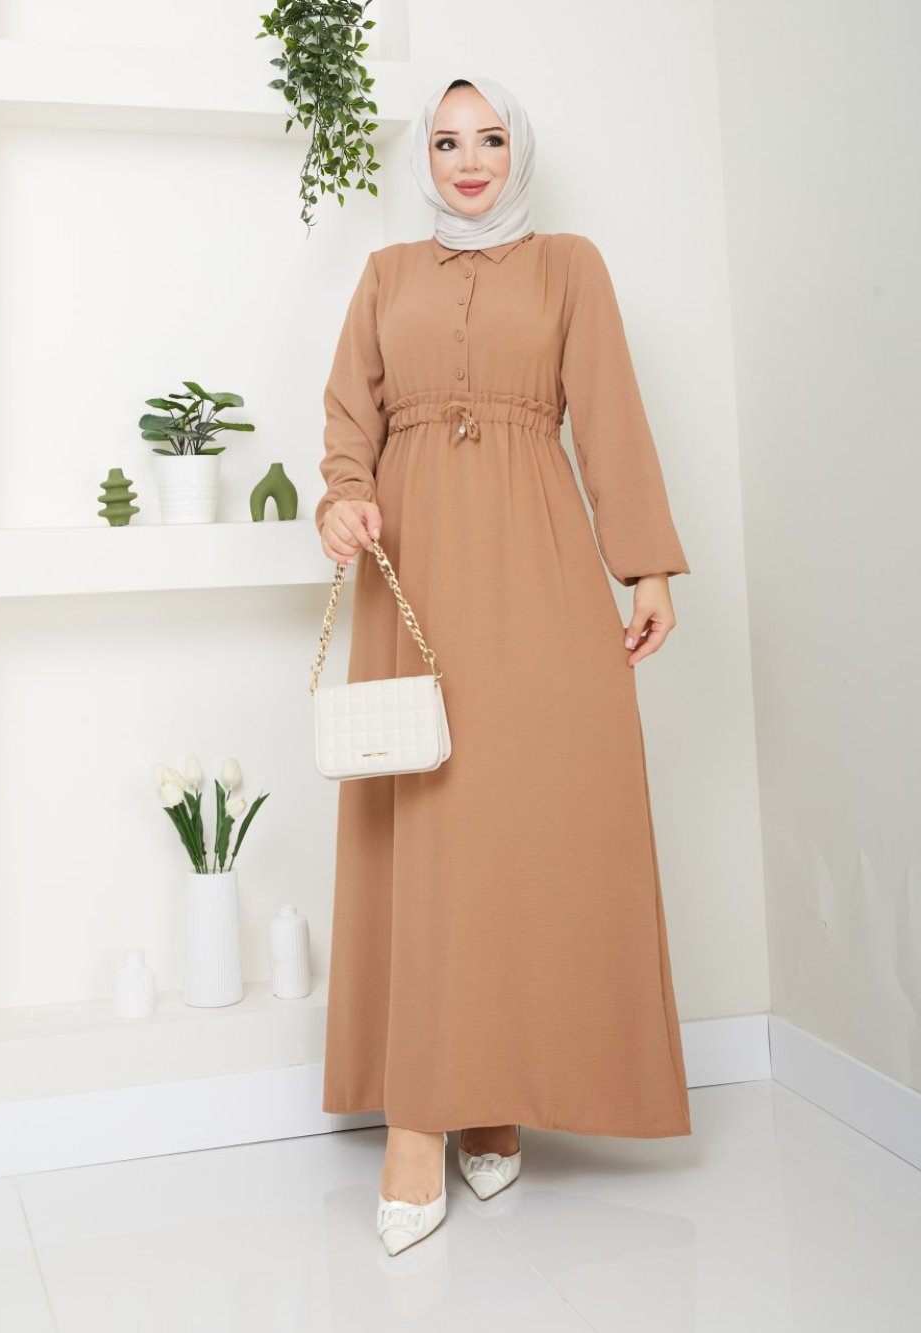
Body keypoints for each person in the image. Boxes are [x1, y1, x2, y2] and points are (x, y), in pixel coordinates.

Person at [314, 73, 692, 1255]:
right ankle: (417, 1116)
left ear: (516, 150)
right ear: (423, 157)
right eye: (445, 142)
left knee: (524, 824)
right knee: (431, 828)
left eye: (488, 139)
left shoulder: (569, 266)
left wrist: (644, 566)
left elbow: (609, 415)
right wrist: (342, 499)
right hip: (415, 570)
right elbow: (348, 418)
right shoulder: (386, 275)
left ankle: (495, 1091)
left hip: (537, 567)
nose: (468, 161)